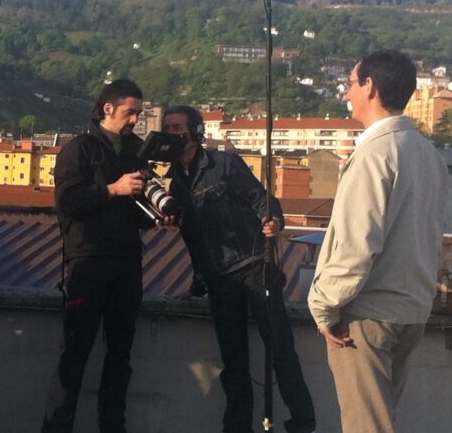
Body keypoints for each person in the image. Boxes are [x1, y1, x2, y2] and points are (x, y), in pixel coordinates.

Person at [308, 50, 448, 432]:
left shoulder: (374, 154)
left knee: (367, 426)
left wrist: (323, 306)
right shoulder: (428, 154)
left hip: (367, 314)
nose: (347, 94)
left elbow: (356, 246)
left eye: (350, 84)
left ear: (370, 87)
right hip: (411, 308)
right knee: (381, 418)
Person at [162, 105, 315, 433]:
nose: (173, 134)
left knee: (281, 352)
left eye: (178, 128)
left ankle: (303, 424)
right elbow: (196, 243)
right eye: (168, 129)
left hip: (253, 267)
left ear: (196, 132)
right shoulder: (175, 187)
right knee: (234, 363)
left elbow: (262, 200)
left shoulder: (224, 164)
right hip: (219, 281)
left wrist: (272, 221)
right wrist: (197, 283)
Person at [42, 79, 154, 433]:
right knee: (74, 355)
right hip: (88, 261)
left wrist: (156, 214)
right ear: (108, 108)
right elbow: (68, 203)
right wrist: (113, 189)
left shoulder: (137, 151)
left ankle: (112, 427)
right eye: (129, 112)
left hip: (127, 260)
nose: (135, 119)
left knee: (121, 357)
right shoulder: (79, 149)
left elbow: (136, 212)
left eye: (138, 112)